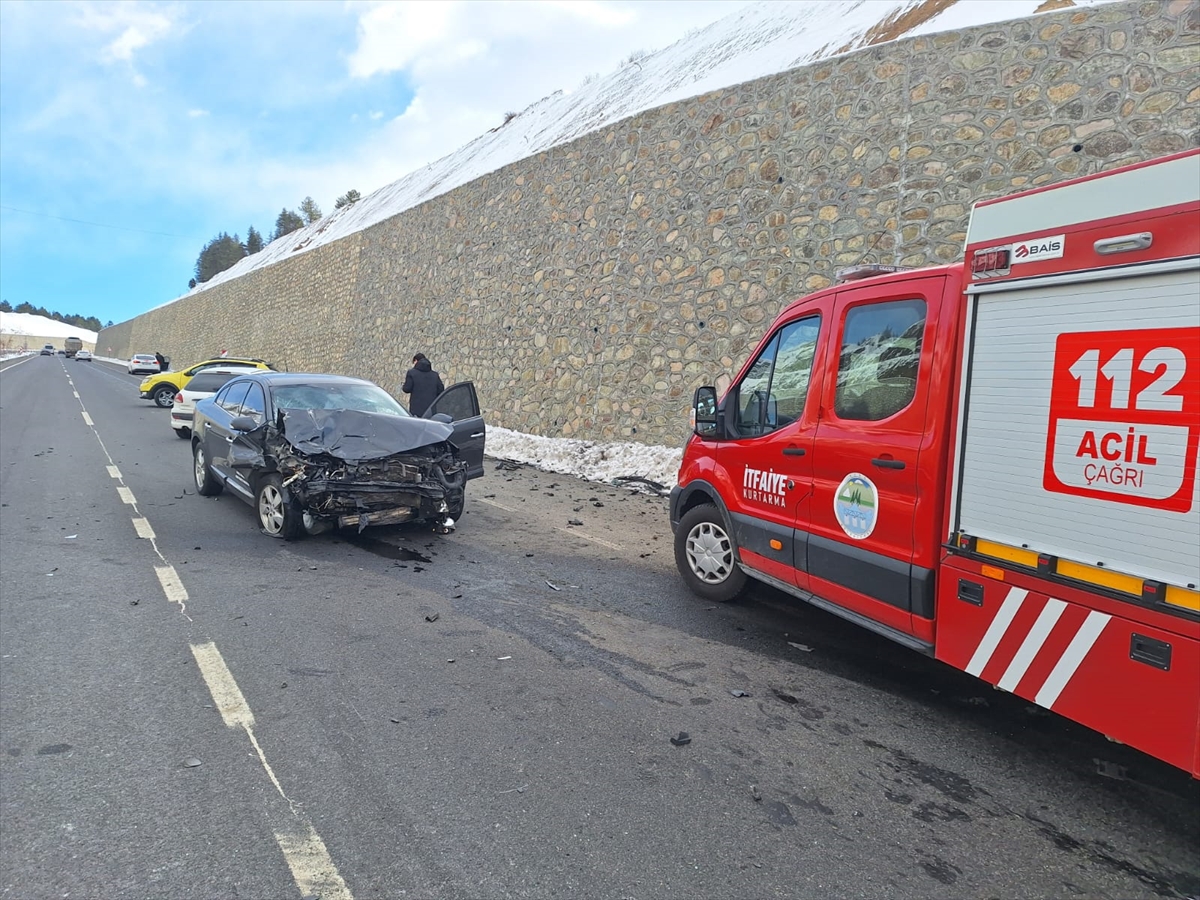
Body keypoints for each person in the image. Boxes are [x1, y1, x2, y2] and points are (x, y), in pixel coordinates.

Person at [402, 352, 444, 417]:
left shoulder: (412, 373)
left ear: (416, 361)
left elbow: (407, 389)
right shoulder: (434, 375)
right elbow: (441, 390)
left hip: (416, 410)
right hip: (431, 409)